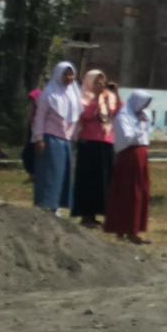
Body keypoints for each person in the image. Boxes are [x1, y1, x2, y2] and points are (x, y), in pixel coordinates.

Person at [32, 62, 82, 216]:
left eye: (71, 74)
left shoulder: (74, 94)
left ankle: (57, 205)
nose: (69, 78)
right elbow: (39, 117)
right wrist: (39, 138)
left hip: (65, 140)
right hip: (50, 137)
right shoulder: (49, 93)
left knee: (62, 173)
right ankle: (46, 204)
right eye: (66, 74)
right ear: (59, 75)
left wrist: (75, 137)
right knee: (50, 173)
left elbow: (74, 118)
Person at [72, 70, 119, 228]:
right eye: (97, 82)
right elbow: (85, 116)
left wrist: (115, 94)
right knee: (89, 180)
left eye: (102, 82)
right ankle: (87, 215)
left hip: (106, 142)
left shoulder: (109, 97)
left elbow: (118, 113)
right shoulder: (84, 98)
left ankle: (102, 213)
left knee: (105, 180)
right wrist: (97, 99)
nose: (101, 85)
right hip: (90, 143)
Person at [105, 90, 153, 243]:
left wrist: (144, 123)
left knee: (140, 191)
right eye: (143, 103)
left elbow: (147, 135)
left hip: (141, 156)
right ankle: (122, 229)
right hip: (129, 156)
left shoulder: (143, 116)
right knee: (127, 191)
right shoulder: (123, 116)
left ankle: (135, 228)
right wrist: (140, 125)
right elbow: (127, 138)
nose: (144, 107)